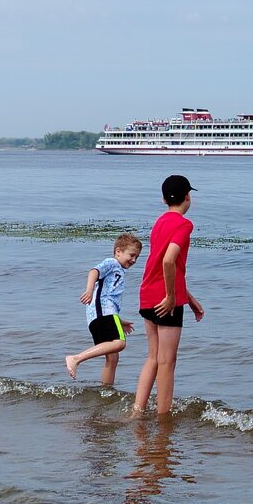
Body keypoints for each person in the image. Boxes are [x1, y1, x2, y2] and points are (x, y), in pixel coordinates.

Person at [133, 175, 205, 415]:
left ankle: (137, 411)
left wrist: (188, 298)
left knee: (153, 357)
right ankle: (163, 417)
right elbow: (168, 261)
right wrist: (172, 298)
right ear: (188, 197)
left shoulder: (159, 222)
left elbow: (159, 265)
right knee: (167, 361)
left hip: (147, 293)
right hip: (165, 300)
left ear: (164, 199)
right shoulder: (184, 225)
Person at [65, 234, 142, 383]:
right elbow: (94, 271)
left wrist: (119, 321)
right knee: (119, 343)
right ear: (118, 251)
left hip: (100, 314)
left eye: (137, 257)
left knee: (113, 358)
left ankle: (107, 390)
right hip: (102, 313)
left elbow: (108, 297)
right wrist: (89, 290)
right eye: (131, 255)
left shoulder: (119, 270)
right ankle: (76, 358)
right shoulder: (112, 263)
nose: (134, 260)